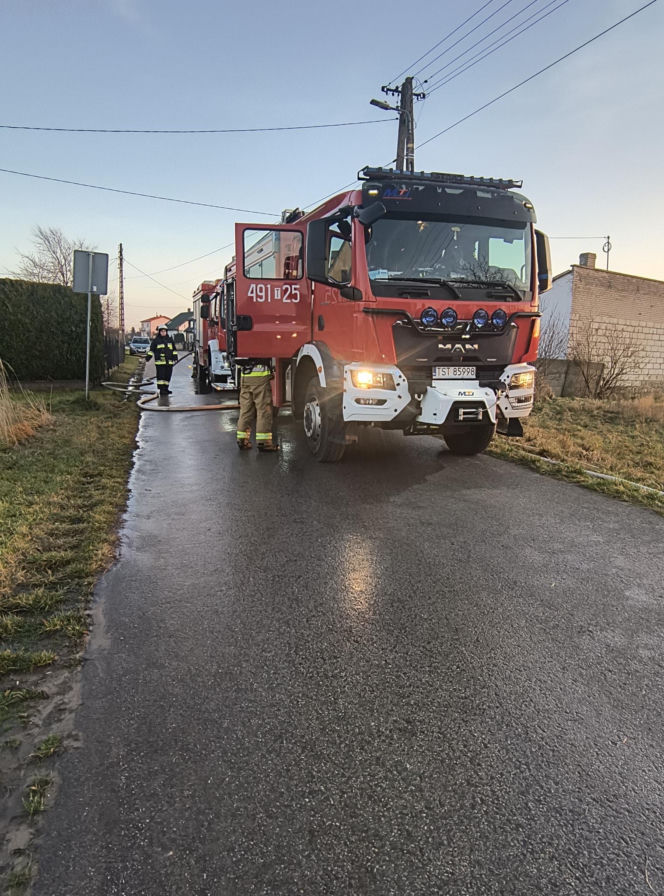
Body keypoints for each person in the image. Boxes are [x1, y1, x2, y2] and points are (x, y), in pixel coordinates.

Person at [236, 360, 279, 452]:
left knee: (245, 411)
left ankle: (242, 441)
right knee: (263, 411)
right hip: (260, 377)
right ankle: (264, 443)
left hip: (245, 376)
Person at [146, 325, 178, 396]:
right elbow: (151, 350)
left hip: (169, 362)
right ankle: (161, 389)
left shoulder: (170, 340)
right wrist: (148, 357)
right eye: (162, 331)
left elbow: (174, 350)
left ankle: (166, 389)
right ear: (159, 332)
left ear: (166, 332)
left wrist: (175, 358)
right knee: (161, 377)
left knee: (167, 376)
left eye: (164, 331)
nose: (163, 333)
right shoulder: (156, 341)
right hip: (160, 363)